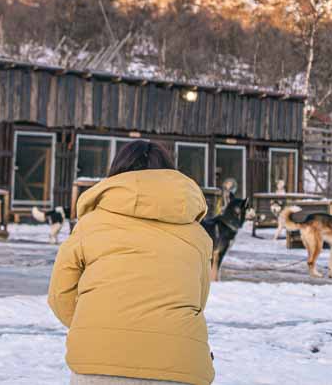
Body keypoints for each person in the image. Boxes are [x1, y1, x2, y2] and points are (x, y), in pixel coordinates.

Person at [47, 140, 215, 385]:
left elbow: (60, 295)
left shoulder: (90, 225)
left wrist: (101, 327)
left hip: (97, 362)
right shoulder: (198, 235)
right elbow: (197, 300)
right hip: (179, 365)